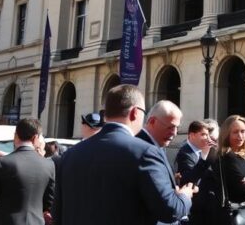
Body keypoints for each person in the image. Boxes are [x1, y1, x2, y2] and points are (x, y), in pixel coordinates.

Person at [53, 84, 194, 225]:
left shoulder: (70, 155)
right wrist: (184, 196)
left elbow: (57, 213)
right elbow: (170, 210)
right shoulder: (145, 152)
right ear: (135, 113)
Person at [0, 118, 55, 225]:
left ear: (16, 135)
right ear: (35, 137)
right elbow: (49, 203)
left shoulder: (2, 163)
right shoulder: (48, 165)